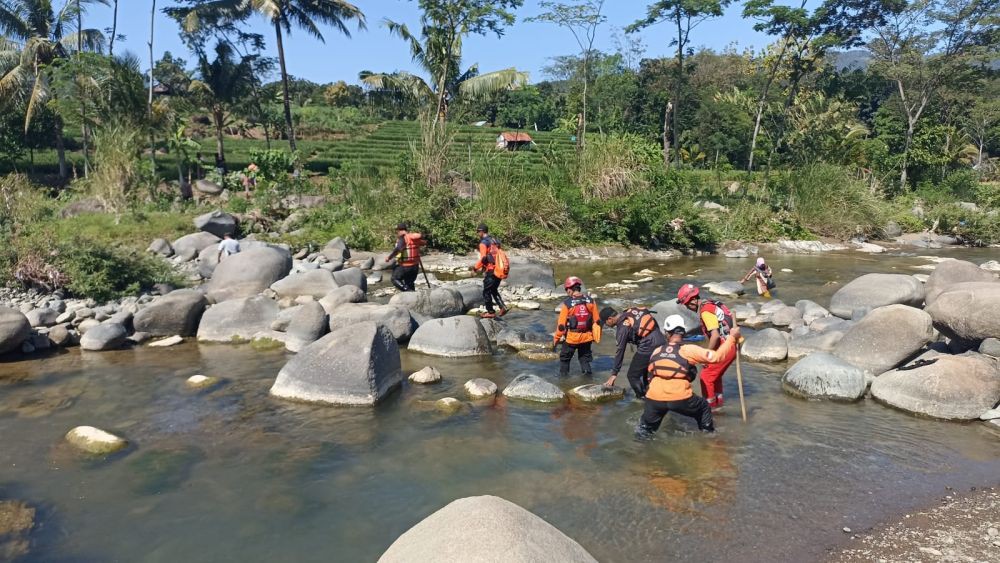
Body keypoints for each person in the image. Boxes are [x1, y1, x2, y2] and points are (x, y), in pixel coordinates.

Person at [636, 315, 742, 437]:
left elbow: (650, 376)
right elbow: (716, 357)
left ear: (666, 333)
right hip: (679, 396)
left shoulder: (657, 351)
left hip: (653, 398)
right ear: (683, 331)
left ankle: (639, 449)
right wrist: (732, 338)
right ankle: (709, 439)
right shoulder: (689, 350)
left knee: (644, 431)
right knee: (704, 408)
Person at [677, 283, 738, 410]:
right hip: (731, 344)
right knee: (715, 376)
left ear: (693, 300)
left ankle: (710, 408)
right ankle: (719, 403)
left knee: (706, 377)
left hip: (725, 347)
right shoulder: (712, 303)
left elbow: (715, 335)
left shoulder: (706, 312)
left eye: (687, 304)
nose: (688, 307)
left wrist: (706, 356)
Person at [599, 305, 665, 399]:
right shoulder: (629, 313)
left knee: (632, 376)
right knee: (647, 373)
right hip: (661, 340)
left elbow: (620, 351)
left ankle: (642, 399)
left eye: (605, 323)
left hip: (648, 346)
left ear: (610, 319)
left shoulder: (622, 329)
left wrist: (614, 374)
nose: (606, 325)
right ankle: (653, 396)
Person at [552, 276, 601, 376]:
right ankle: (588, 382)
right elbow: (597, 322)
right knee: (584, 360)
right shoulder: (591, 301)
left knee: (565, 360)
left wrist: (555, 341)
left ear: (570, 290)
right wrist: (596, 338)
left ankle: (564, 383)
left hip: (572, 339)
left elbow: (561, 327)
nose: (567, 292)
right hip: (587, 338)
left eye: (566, 290)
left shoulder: (567, 304)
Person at [472, 224, 507, 318]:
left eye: (478, 232)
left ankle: (490, 312)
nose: (478, 234)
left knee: (486, 291)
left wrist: (475, 268)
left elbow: (483, 258)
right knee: (493, 289)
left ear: (482, 231)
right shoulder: (495, 240)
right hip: (499, 268)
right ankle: (503, 307)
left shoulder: (483, 243)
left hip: (491, 270)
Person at [385, 223, 426, 292]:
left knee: (394, 279)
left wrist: (389, 257)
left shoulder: (403, 238)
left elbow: (398, 249)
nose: (397, 233)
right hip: (415, 266)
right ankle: (412, 296)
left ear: (399, 230)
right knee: (409, 283)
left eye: (397, 231)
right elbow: (423, 243)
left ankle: (407, 290)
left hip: (406, 266)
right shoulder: (413, 239)